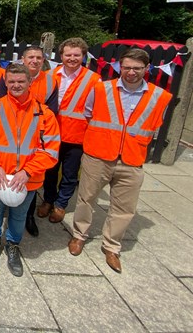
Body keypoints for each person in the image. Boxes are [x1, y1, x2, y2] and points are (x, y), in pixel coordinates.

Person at [68, 48, 172, 273]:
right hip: (98, 154)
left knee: (124, 207)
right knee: (86, 199)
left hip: (132, 159)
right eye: (127, 67)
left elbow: (155, 125)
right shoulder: (101, 88)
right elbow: (88, 114)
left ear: (147, 69)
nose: (131, 72)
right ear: (119, 67)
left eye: (137, 68)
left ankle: (112, 246)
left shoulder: (160, 96)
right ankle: (79, 236)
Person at [0, 63, 60, 277]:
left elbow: (50, 150)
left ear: (30, 82)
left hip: (27, 178)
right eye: (12, 81)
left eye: (20, 81)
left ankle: (13, 246)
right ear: (6, 82)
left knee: (19, 215)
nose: (16, 85)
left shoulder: (44, 113)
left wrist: (27, 171)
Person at [0, 46, 59, 237]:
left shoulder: (50, 81)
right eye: (30, 57)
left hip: (32, 141)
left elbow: (52, 112)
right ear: (23, 59)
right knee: (0, 201)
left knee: (26, 194)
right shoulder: (6, 82)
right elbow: (1, 107)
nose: (34, 60)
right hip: (7, 143)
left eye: (38, 57)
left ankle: (27, 220)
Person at [38, 37, 101, 224]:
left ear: (83, 56)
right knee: (49, 170)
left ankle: (61, 204)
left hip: (77, 135)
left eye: (76, 55)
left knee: (70, 174)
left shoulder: (94, 79)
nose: (72, 58)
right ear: (61, 56)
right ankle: (48, 200)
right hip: (52, 133)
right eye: (68, 54)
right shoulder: (50, 75)